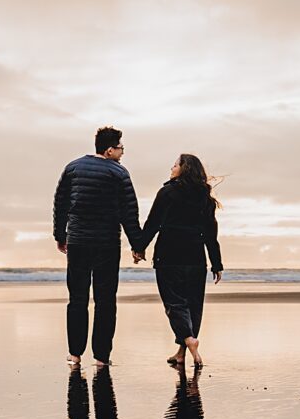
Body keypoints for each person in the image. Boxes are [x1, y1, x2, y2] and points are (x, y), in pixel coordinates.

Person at [53, 127, 142, 367]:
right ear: (110, 149)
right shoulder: (119, 173)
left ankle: (75, 355)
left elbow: (60, 204)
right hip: (107, 244)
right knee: (105, 300)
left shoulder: (72, 167)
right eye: (121, 148)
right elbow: (129, 213)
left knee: (77, 298)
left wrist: (60, 235)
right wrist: (138, 244)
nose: (123, 153)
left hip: (78, 242)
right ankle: (101, 357)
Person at [134, 154, 223, 367]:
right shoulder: (205, 198)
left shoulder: (167, 192)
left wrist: (139, 247)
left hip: (169, 256)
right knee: (193, 305)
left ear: (184, 169)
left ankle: (190, 341)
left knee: (174, 303)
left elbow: (153, 222)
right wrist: (216, 263)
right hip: (195, 258)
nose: (171, 167)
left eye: (175, 164)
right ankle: (182, 351)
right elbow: (211, 233)